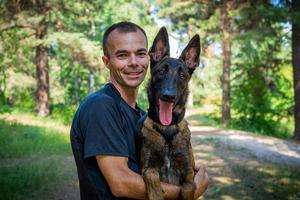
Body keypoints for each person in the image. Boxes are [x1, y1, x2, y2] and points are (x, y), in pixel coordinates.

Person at [70, 21, 208, 200]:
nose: (134, 62)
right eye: (122, 55)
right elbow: (121, 183)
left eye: (140, 53)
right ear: (107, 61)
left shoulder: (143, 117)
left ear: (150, 57)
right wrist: (188, 193)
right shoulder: (100, 105)